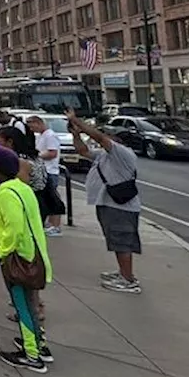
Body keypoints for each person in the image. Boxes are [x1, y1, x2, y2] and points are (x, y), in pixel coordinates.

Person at [0, 145, 53, 373]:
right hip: (29, 255)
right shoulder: (21, 188)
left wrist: (1, 251)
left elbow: (15, 228)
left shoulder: (7, 194)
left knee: (23, 306)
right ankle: (38, 344)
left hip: (18, 260)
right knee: (29, 304)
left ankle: (32, 354)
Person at [68, 110, 142, 294]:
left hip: (120, 207)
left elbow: (99, 137)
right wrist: (75, 135)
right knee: (116, 241)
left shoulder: (123, 153)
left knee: (122, 241)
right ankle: (123, 273)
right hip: (108, 203)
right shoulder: (104, 156)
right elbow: (83, 151)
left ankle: (128, 280)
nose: (107, 139)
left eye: (111, 137)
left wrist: (76, 119)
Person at [26, 116, 66, 236]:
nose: (31, 129)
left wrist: (36, 156)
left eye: (32, 126)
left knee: (52, 198)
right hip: (43, 170)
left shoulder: (50, 135)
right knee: (46, 198)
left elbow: (52, 153)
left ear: (39, 123)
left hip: (50, 170)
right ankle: (50, 224)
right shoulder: (41, 136)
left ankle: (55, 226)